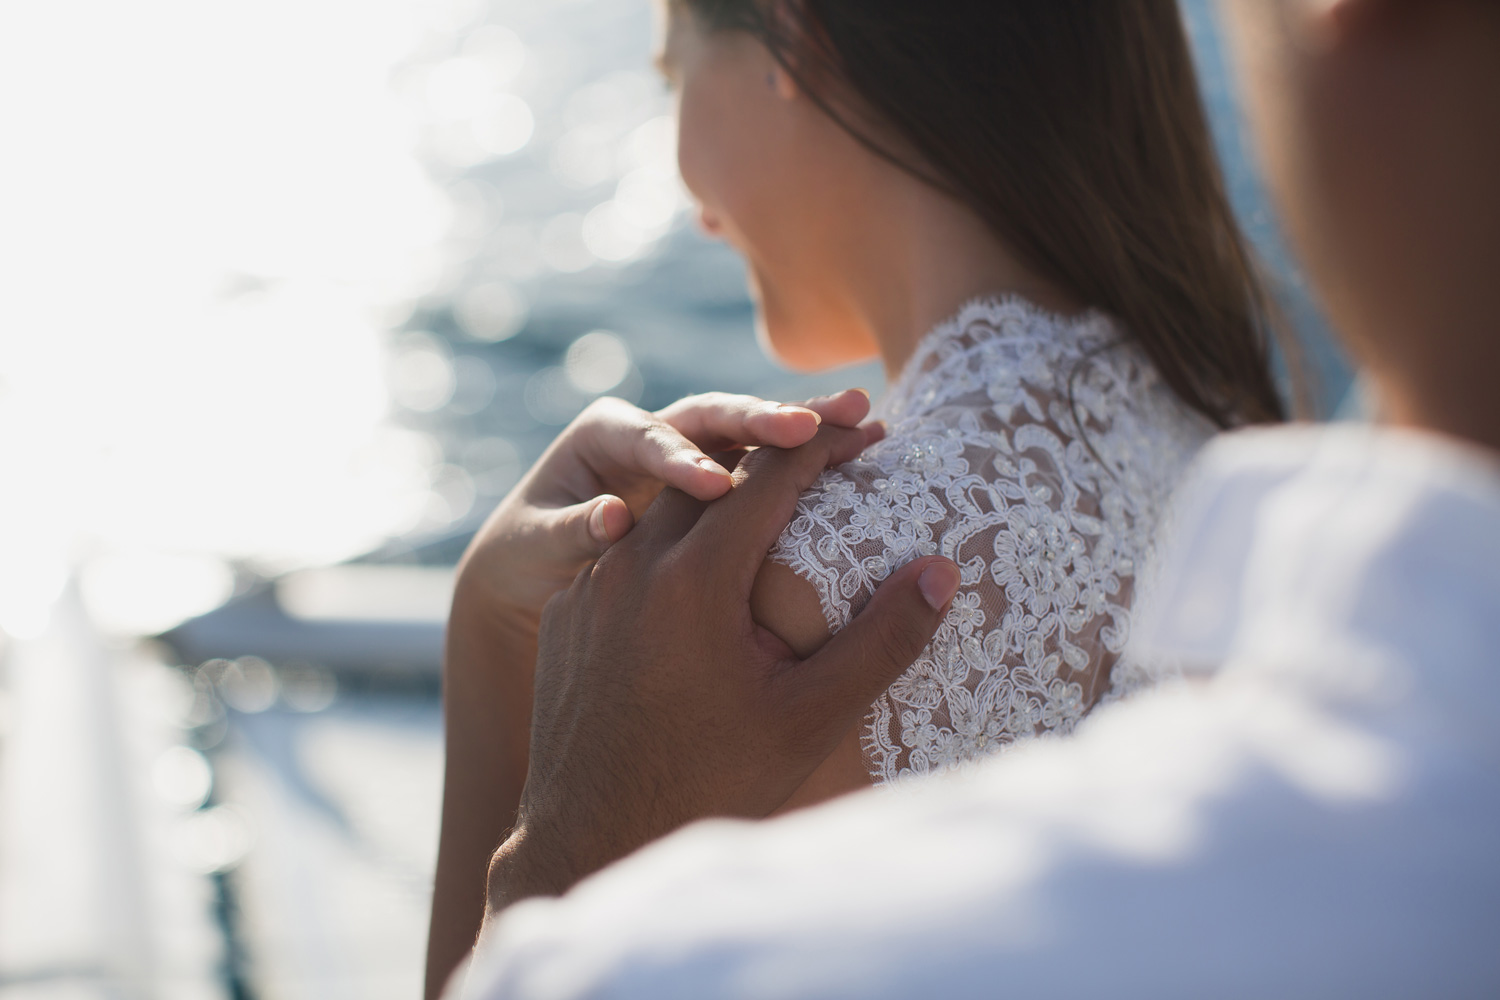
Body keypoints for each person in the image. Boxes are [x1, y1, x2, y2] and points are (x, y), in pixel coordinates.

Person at [445, 0, 1500, 994]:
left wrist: (489, 635)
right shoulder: (1225, 428)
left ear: (792, 37)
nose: (691, 196)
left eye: (675, 67)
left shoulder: (777, 596)